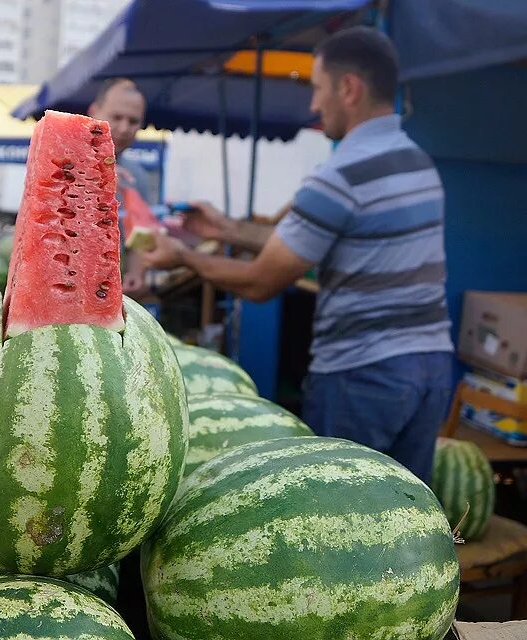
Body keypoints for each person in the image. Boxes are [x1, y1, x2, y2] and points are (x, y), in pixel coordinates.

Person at [142, 27, 453, 484]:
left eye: (317, 89)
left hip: (363, 374)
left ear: (348, 89)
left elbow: (261, 282)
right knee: (407, 515)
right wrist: (225, 228)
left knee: (343, 516)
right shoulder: (419, 164)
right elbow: (311, 239)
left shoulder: (340, 176)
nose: (312, 105)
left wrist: (186, 259)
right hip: (430, 370)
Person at [88, 78, 154, 295]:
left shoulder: (137, 176)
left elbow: (139, 235)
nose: (124, 128)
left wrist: (136, 271)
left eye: (133, 121)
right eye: (116, 117)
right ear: (93, 112)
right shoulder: (62, 163)